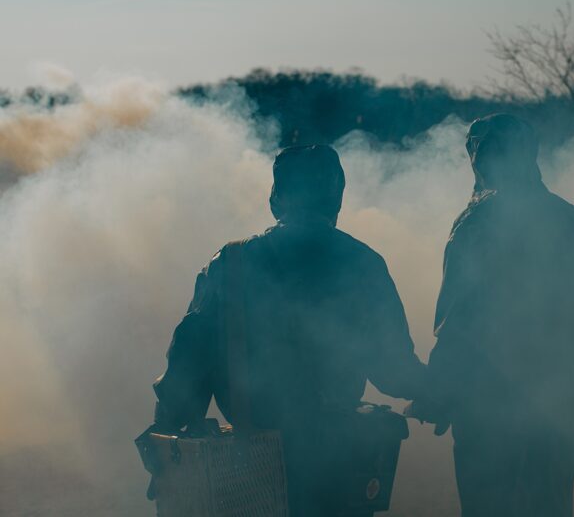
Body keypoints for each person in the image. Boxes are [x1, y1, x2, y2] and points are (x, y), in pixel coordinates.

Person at [143, 144, 426, 516]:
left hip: (249, 461)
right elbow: (393, 370)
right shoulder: (364, 263)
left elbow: (190, 354)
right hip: (339, 462)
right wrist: (441, 394)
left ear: (276, 198)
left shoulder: (231, 261)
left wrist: (166, 433)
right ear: (336, 198)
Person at [408, 114, 574, 517]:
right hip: (556, 404)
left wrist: (438, 392)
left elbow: (458, 321)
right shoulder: (569, 220)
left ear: (480, 158)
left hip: (485, 408)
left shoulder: (476, 223)